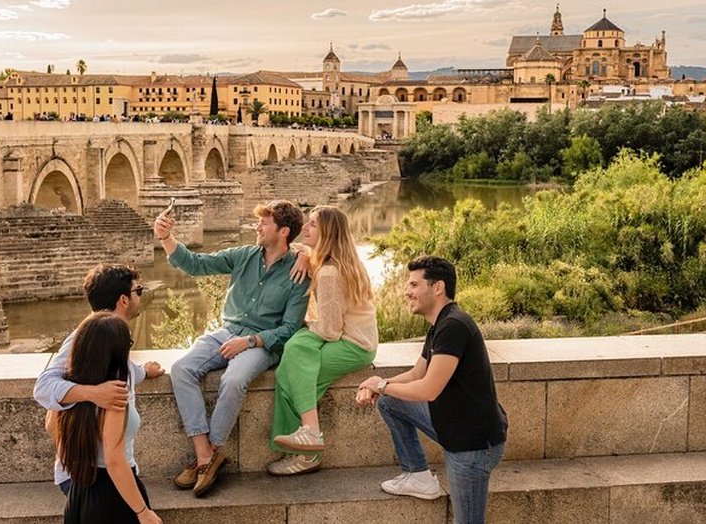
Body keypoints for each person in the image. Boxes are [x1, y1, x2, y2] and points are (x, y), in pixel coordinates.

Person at [154, 199, 309, 497]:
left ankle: (209, 454)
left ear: (284, 231)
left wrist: (249, 342)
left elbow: (289, 329)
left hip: (263, 343)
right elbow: (197, 265)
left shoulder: (298, 273)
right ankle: (205, 455)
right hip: (227, 331)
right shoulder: (244, 256)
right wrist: (166, 238)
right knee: (181, 369)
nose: (257, 227)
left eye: (264, 223)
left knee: (234, 379)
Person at [356, 256, 507, 524]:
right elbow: (417, 374)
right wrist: (379, 385)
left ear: (437, 288)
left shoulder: (454, 326)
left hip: (472, 445)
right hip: (453, 424)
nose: (407, 292)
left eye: (414, 284)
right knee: (390, 401)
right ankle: (418, 475)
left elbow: (428, 389)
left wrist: (381, 385)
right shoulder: (439, 325)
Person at [34, 263, 164, 495]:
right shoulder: (82, 338)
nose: (141, 296)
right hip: (87, 476)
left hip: (100, 472)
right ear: (123, 300)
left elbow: (114, 369)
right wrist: (94, 394)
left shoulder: (109, 336)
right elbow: (43, 387)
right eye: (139, 291)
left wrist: (143, 371)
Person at [267, 206, 378, 475]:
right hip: (359, 340)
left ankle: (309, 444)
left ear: (327, 232)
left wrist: (302, 327)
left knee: (293, 364)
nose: (305, 228)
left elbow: (329, 331)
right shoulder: (340, 260)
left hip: (353, 346)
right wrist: (305, 254)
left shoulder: (329, 273)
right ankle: (305, 445)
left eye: (313, 225)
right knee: (293, 362)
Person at [49, 311, 161, 524]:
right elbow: (114, 459)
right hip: (112, 495)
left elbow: (51, 426)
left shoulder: (71, 386)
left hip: (79, 491)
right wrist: (142, 511)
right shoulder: (114, 393)